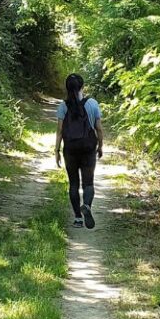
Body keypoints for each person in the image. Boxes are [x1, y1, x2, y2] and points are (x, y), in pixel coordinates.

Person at [55, 73, 104, 229]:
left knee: (73, 184)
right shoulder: (92, 103)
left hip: (70, 149)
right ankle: (87, 206)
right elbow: (99, 129)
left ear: (67, 87)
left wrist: (56, 150)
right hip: (88, 147)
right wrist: (101, 145)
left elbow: (60, 131)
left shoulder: (63, 106)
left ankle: (77, 218)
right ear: (82, 86)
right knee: (88, 182)